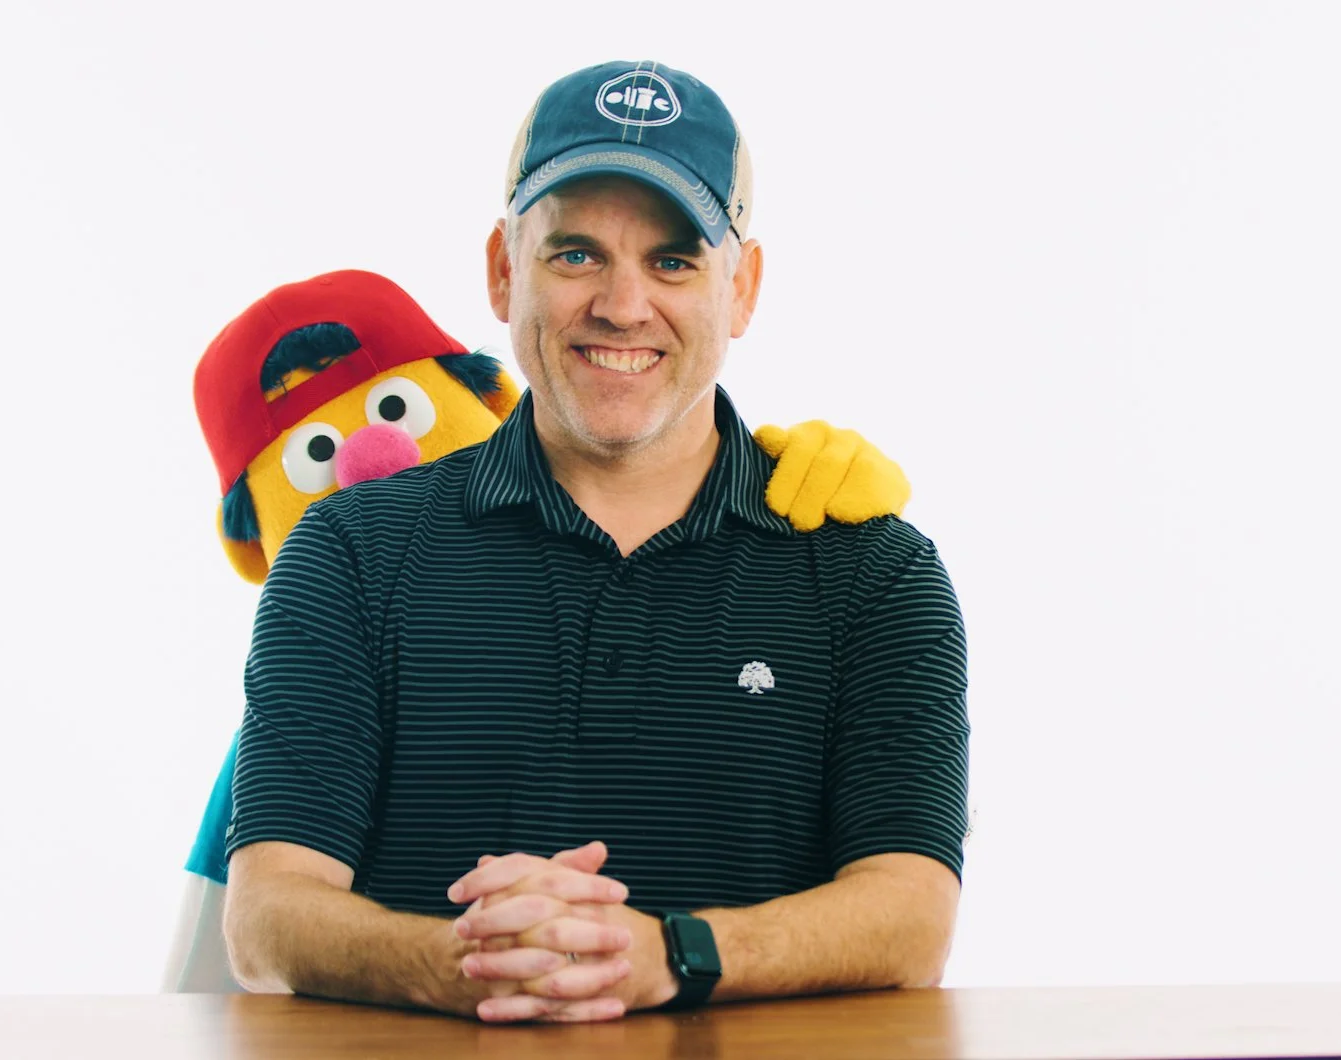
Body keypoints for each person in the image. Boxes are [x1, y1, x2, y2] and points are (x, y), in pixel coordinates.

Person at [223, 60, 969, 1024]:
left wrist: (668, 955)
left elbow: (913, 917)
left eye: (673, 261)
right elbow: (268, 913)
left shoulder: (874, 572)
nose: (622, 305)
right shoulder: (349, 553)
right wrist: (469, 963)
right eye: (575, 255)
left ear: (741, 288)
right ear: (502, 269)